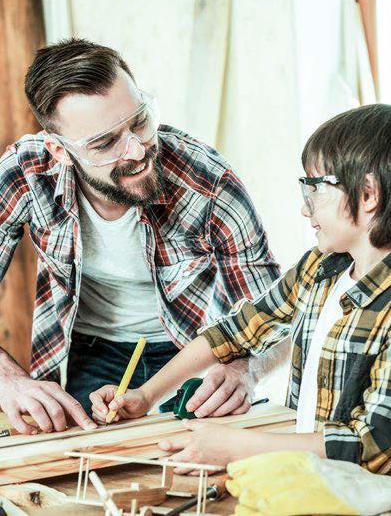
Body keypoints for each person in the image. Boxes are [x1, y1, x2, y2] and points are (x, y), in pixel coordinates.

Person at [0, 38, 281, 434]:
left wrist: (245, 369)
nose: (136, 151)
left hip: (197, 351)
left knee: (198, 469)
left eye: (140, 122)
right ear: (59, 150)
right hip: (94, 348)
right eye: (104, 143)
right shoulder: (26, 171)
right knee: (89, 465)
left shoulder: (208, 182)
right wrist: (8, 381)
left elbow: (273, 314)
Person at [91, 104, 391, 473]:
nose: (305, 209)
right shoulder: (320, 269)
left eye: (314, 188)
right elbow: (235, 331)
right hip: (314, 480)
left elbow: (372, 446)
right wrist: (145, 394)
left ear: (368, 194)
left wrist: (238, 446)